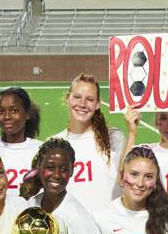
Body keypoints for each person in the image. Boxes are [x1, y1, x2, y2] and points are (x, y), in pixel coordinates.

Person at [18, 138, 114, 234]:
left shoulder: (76, 214)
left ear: (72, 171)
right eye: (50, 167)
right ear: (39, 167)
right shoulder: (30, 207)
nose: (57, 175)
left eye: (64, 169)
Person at [53, 74, 126, 212]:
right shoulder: (54, 144)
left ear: (98, 104)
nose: (82, 104)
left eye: (90, 99)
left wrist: (133, 131)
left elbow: (128, 182)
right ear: (68, 98)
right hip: (70, 224)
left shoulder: (115, 138)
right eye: (77, 97)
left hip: (109, 224)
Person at [0, 87, 42, 194]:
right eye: (1, 111)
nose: (7, 117)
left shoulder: (40, 150)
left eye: (14, 111)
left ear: (27, 113)